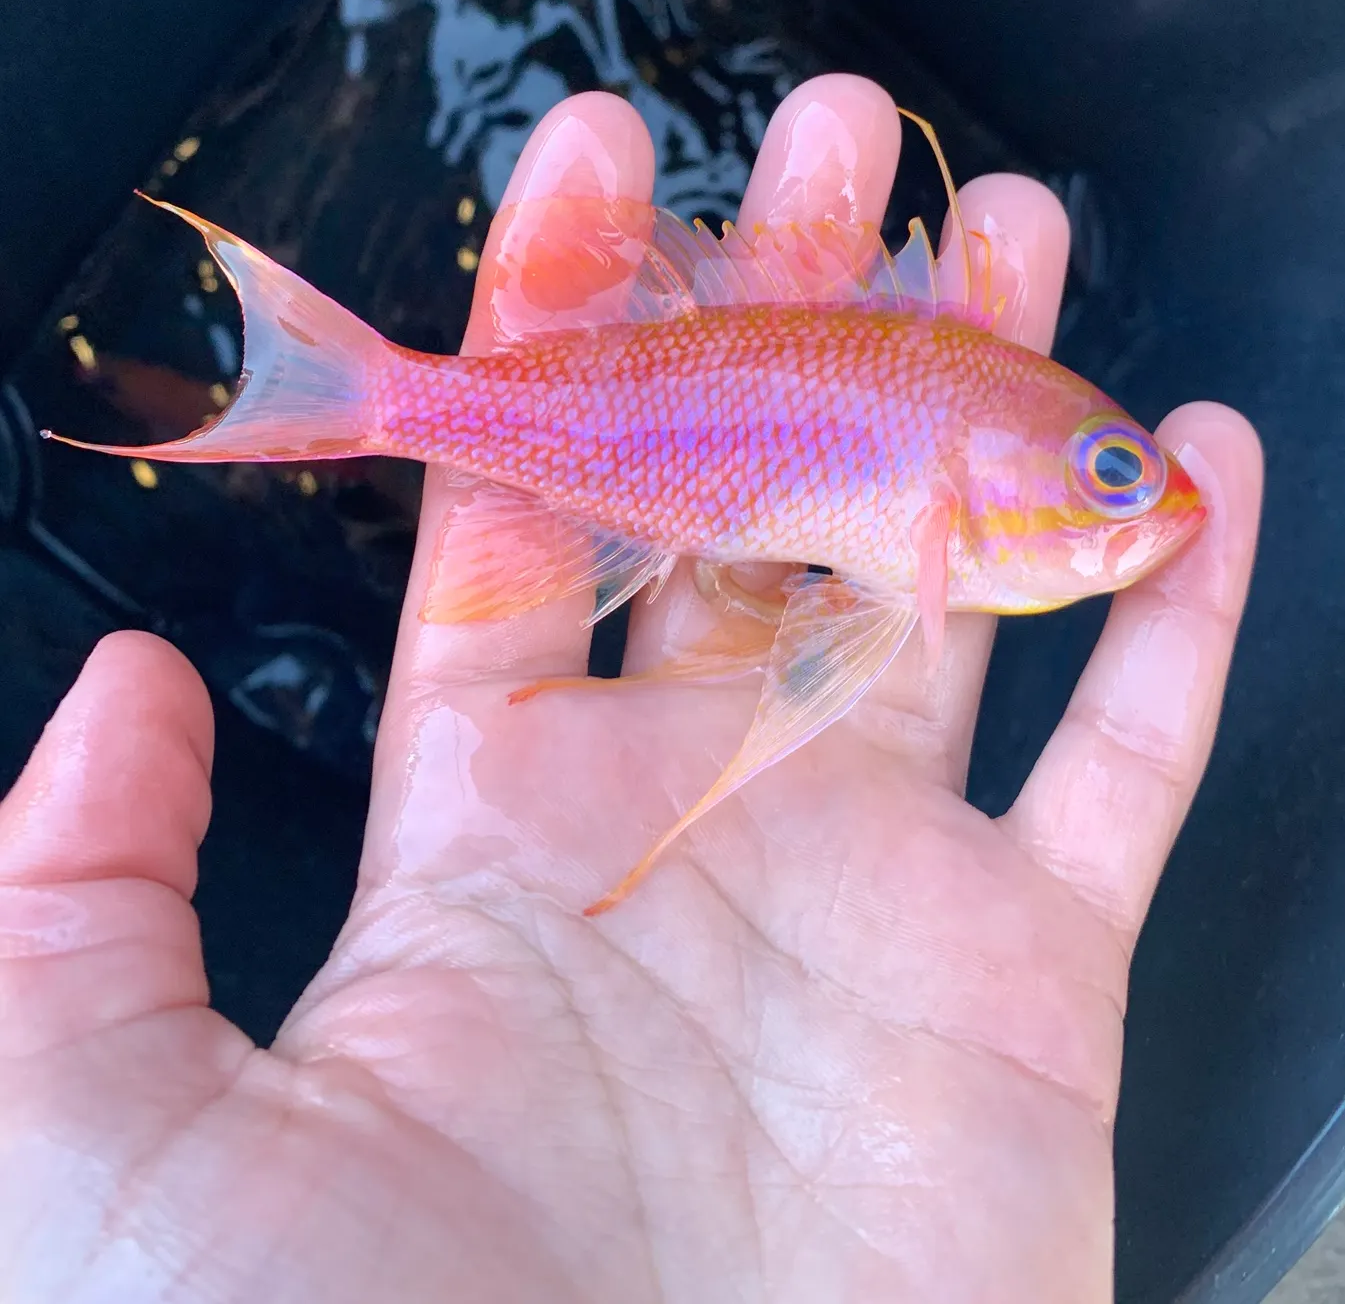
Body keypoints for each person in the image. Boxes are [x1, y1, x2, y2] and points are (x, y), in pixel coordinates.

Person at [0, 76, 1262, 1302]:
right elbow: (848, 622)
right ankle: (365, 391)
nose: (1138, 500)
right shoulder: (947, 464)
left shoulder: (956, 477)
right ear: (999, 459)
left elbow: (850, 619)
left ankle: (360, 391)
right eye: (1110, 470)